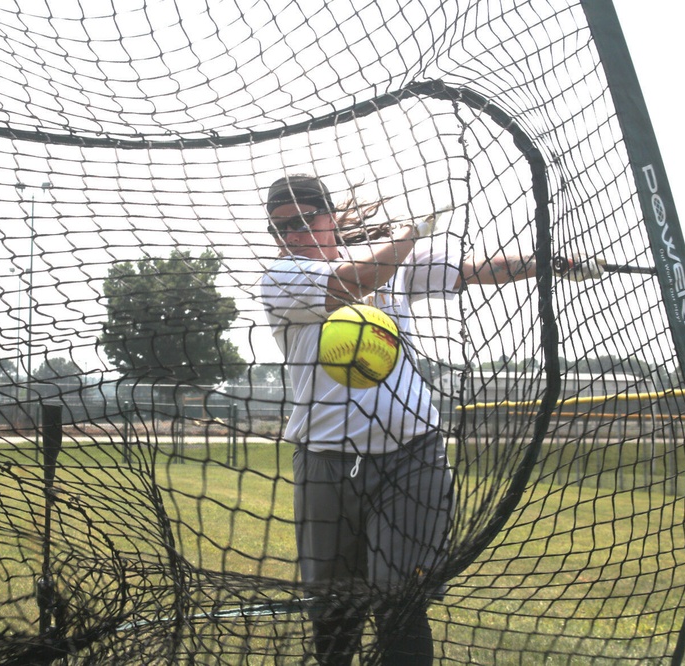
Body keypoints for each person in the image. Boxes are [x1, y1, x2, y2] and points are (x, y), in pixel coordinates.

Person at [258, 174, 604, 665]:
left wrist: (553, 263)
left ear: (329, 216)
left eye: (303, 220)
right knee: (334, 615)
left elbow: (476, 270)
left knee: (400, 600)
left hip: (411, 457)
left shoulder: (391, 266)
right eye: (281, 228)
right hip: (325, 463)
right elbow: (353, 283)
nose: (292, 235)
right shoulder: (283, 279)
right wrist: (407, 237)